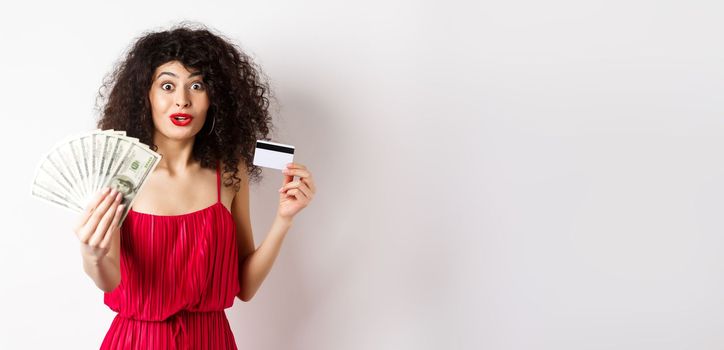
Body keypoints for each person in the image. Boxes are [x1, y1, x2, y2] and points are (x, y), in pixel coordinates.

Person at [72, 22, 316, 349]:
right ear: (145, 95)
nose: (182, 101)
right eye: (167, 86)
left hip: (211, 341)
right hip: (138, 342)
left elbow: (244, 287)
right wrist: (92, 256)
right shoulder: (120, 174)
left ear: (215, 98)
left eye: (197, 86)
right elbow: (109, 280)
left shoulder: (231, 173)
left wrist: (283, 220)